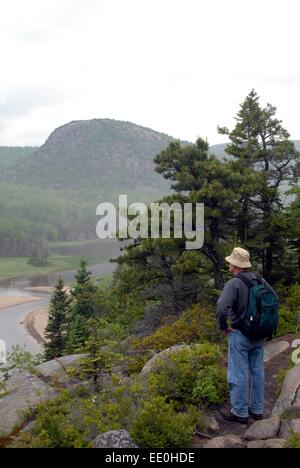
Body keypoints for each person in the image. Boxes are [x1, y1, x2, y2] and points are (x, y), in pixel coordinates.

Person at [216, 247, 278, 424]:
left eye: (230, 262)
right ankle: (257, 410)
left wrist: (224, 327)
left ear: (235, 265)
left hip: (239, 335)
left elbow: (222, 308)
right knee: (257, 371)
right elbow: (275, 300)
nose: (228, 264)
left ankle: (240, 413)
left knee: (238, 374)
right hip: (258, 334)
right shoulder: (259, 279)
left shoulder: (233, 284)